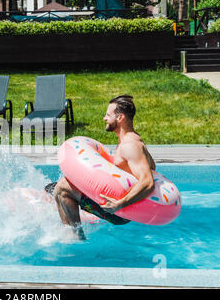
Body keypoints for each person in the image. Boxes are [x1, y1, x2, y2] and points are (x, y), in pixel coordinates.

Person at [47, 95, 156, 239]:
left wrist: (119, 204)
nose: (105, 118)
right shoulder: (132, 140)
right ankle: (72, 229)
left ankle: (76, 239)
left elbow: (148, 183)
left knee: (61, 188)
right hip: (120, 203)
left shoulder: (130, 146)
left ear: (120, 118)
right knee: (58, 186)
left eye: (108, 115)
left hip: (119, 211)